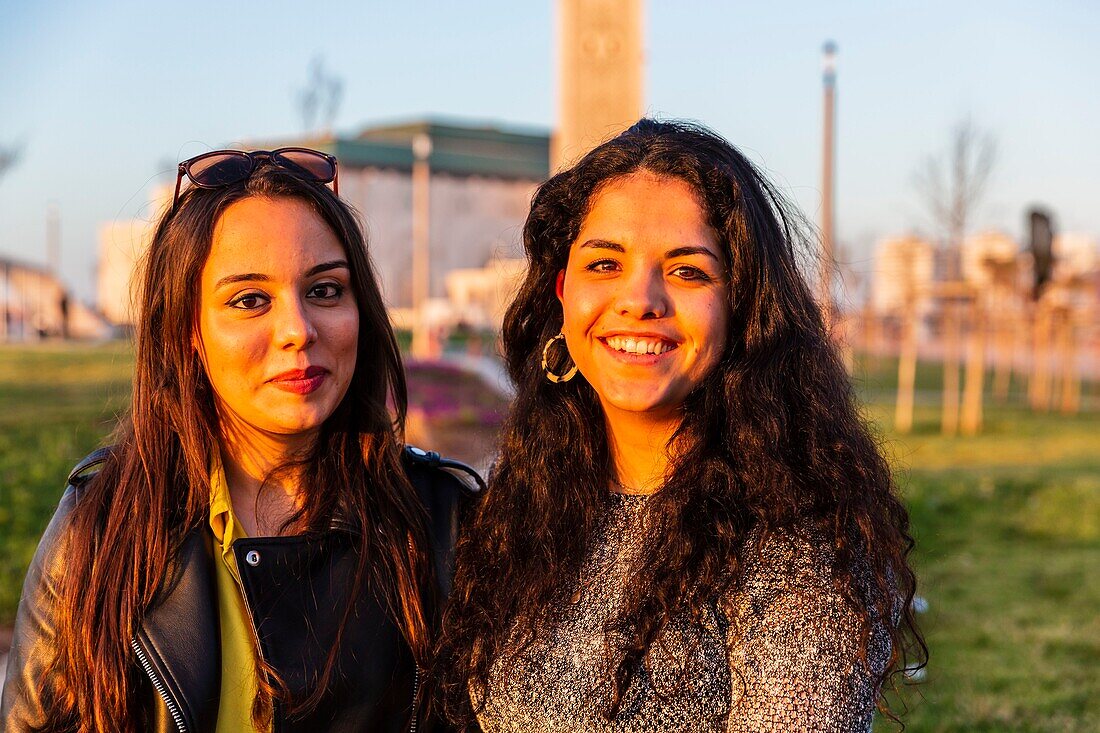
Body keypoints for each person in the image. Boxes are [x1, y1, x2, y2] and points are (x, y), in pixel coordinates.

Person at [437, 119, 926, 732]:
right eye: (605, 264)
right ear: (564, 293)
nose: (640, 299)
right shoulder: (526, 507)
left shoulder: (800, 540)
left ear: (740, 305)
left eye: (688, 271)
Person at [0, 148, 479, 732]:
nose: (298, 330)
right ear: (187, 333)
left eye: (326, 290)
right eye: (250, 300)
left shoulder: (439, 521)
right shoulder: (101, 527)